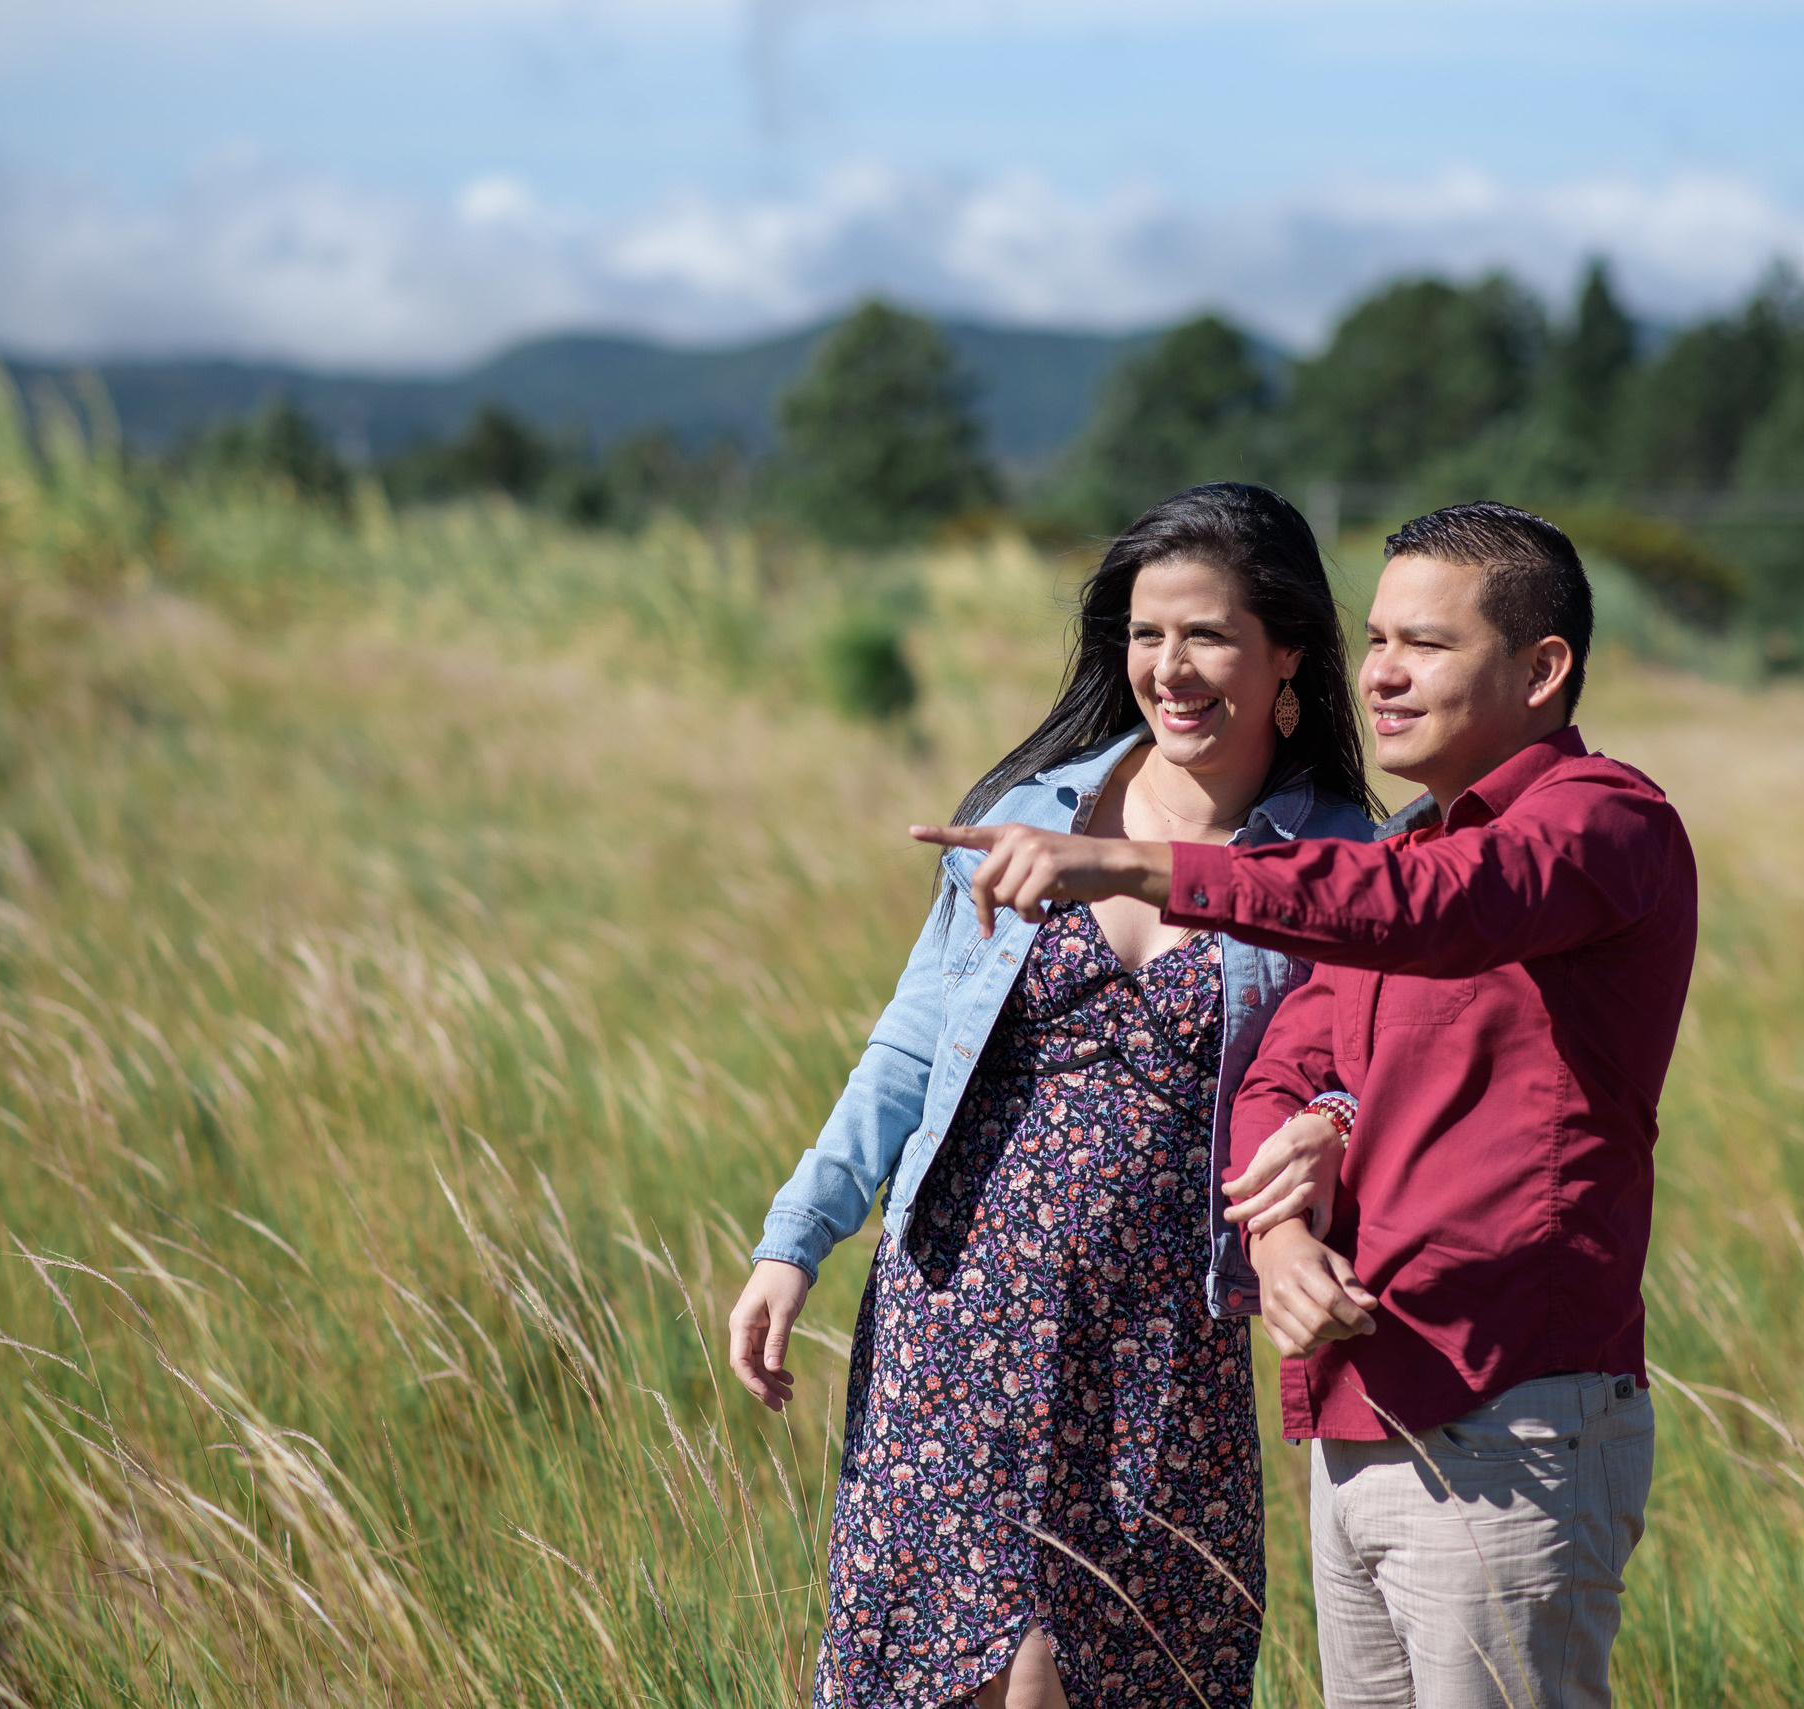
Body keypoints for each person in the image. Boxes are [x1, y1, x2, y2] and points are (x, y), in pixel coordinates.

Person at [920, 502, 1698, 1708]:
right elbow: (1282, 1067)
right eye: (1376, 638)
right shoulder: (1401, 849)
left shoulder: (1603, 822)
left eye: (1425, 644)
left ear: (1541, 669)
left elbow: (1436, 910)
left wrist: (1133, 863)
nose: (1379, 671)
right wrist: (1280, 1236)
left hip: (1513, 1418)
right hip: (1357, 1411)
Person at [727, 483, 1383, 1709]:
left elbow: (1373, 1061)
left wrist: (1330, 1124)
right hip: (958, 1308)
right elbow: (910, 1043)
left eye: (1208, 635)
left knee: (1108, 1674)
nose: (1169, 669)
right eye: (1146, 634)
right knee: (952, 1675)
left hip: (1160, 1343)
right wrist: (794, 1237)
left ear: (1287, 649)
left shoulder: (1347, 859)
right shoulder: (1031, 811)